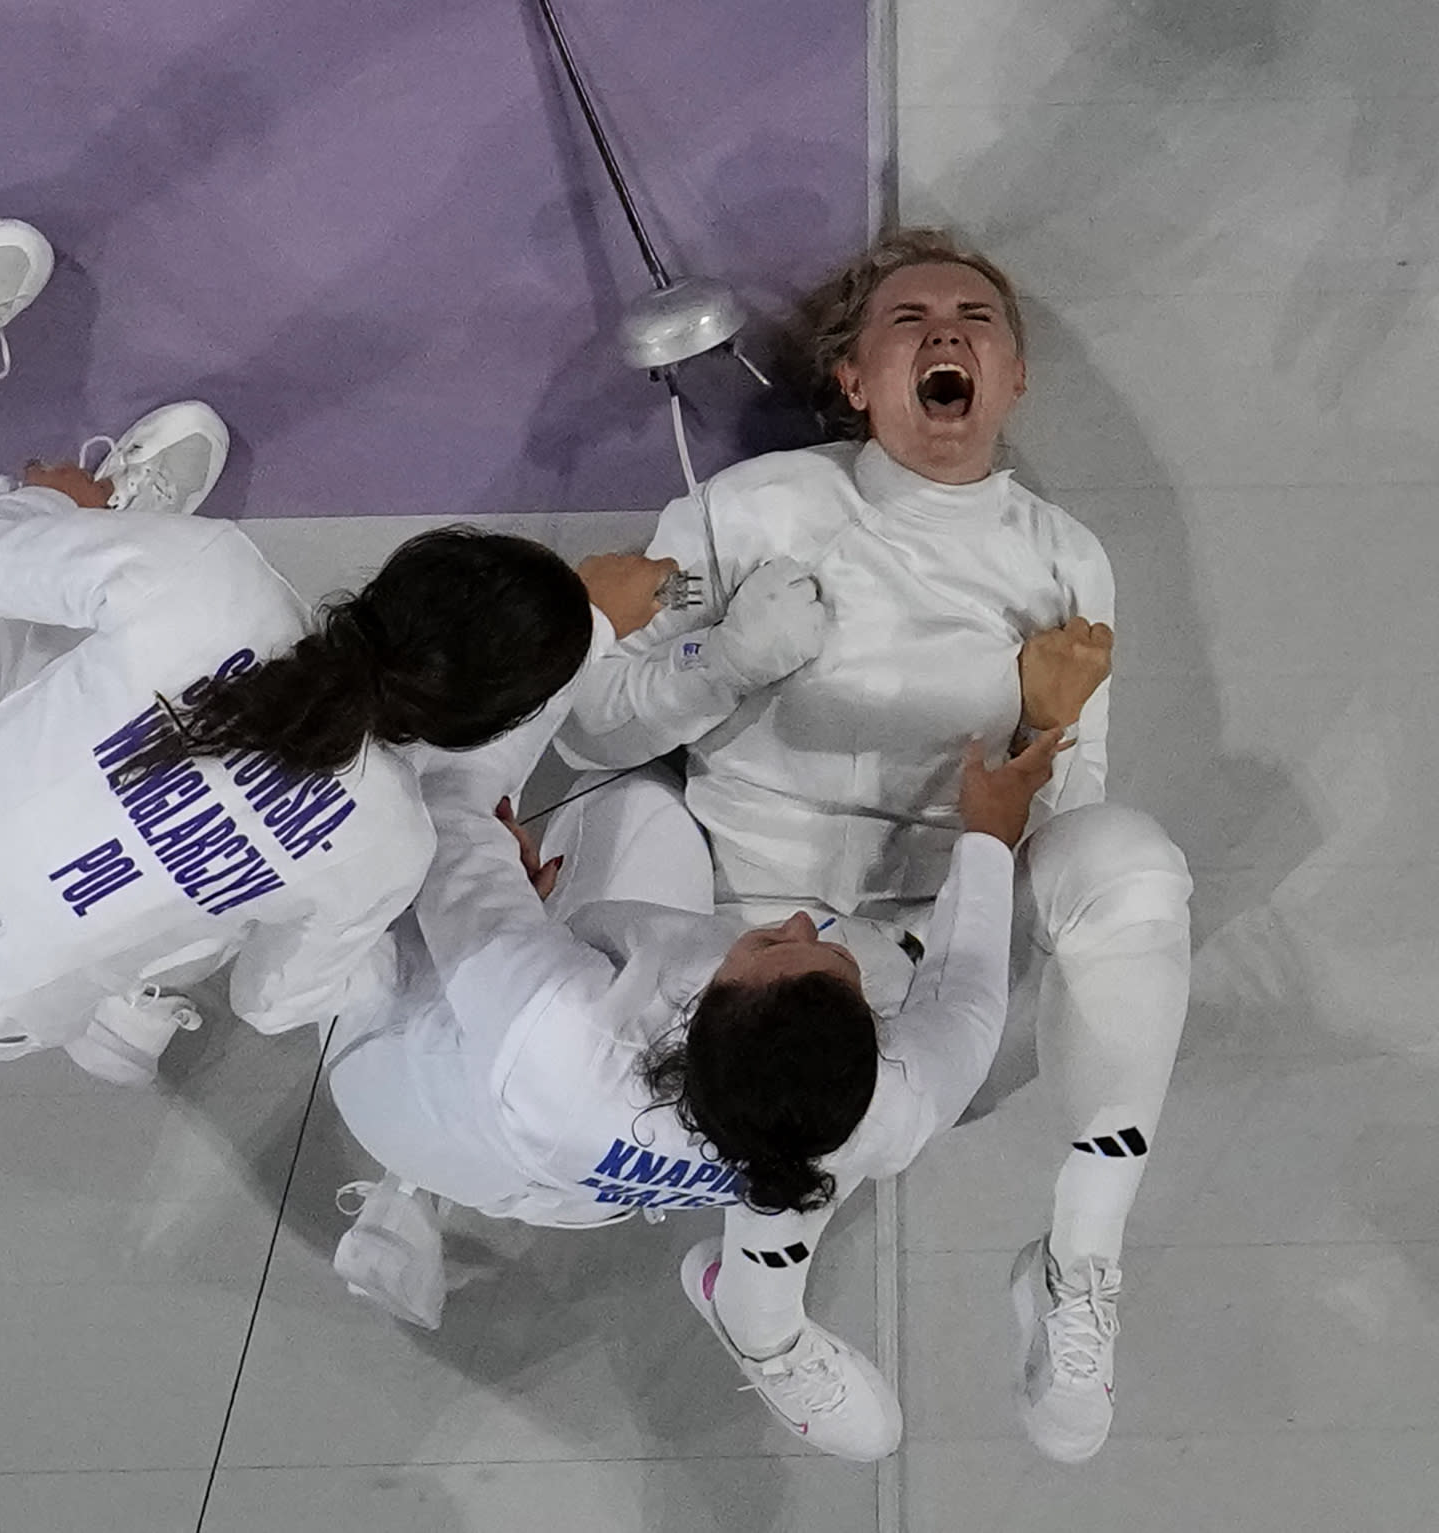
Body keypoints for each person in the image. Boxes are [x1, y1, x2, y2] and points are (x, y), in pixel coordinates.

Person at [554, 227, 1195, 1463]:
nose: (946, 333)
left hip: (929, 917)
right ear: (852, 380)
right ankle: (756, 1307)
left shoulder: (1064, 558)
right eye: (908, 320)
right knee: (622, 827)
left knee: (1130, 859)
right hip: (725, 911)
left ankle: (1077, 1263)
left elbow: (1072, 809)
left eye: (976, 319)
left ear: (1011, 380)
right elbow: (591, 730)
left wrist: (1047, 738)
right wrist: (731, 655)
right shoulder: (749, 509)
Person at [0, 218, 642, 1084]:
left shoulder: (215, 581)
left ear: (400, 571)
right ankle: (104, 551)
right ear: (477, 723)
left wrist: (45, 512)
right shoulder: (390, 850)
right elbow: (269, 1001)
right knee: (221, 894)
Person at [321, 630, 1094, 1461]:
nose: (796, 921)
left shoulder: (561, 1029)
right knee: (659, 829)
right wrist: (988, 837)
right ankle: (757, 1320)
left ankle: (407, 1190)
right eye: (827, 960)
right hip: (580, 1188)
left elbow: (453, 802)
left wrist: (581, 629)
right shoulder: (883, 1107)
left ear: (695, 1017)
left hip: (399, 1087)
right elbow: (967, 998)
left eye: (769, 948)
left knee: (511, 834)